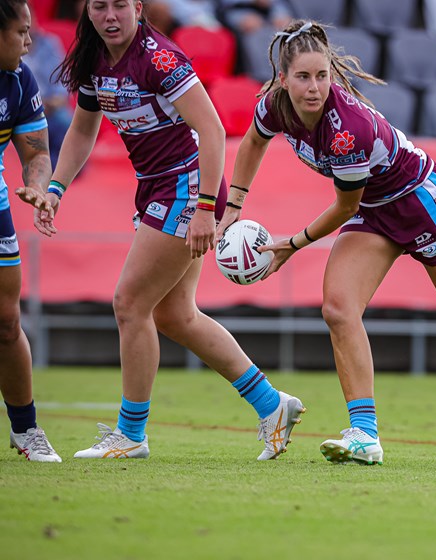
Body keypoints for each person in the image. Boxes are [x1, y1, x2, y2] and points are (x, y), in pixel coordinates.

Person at [219, 20, 436, 465]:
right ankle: (364, 435)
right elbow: (254, 141)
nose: (314, 88)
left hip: (421, 201)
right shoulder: (275, 106)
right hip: (374, 208)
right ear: (283, 79)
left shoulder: (347, 129)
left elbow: (344, 207)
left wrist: (292, 244)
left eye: (322, 76)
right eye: (303, 77)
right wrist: (234, 207)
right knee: (338, 309)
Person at [47, 0, 305, 460]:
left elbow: (212, 129)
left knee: (129, 304)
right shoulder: (92, 58)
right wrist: (55, 188)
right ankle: (272, 404)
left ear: (138, 7)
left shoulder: (160, 58)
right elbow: (83, 131)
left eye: (120, 5)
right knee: (174, 315)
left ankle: (131, 434)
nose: (110, 16)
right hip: (155, 186)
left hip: (186, 186)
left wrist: (206, 209)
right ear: (87, 11)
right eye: (100, 6)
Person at [0, 0, 61, 462]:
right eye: (21, 31)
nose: (29, 40)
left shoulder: (20, 79)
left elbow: (37, 153)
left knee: (6, 321)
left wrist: (37, 187)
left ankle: (26, 429)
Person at [25, 11, 73, 171]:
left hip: (51, 104)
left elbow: (62, 77)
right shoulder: (10, 48)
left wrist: (57, 99)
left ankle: (63, 166)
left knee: (65, 121)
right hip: (26, 110)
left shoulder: (49, 43)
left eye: (31, 18)